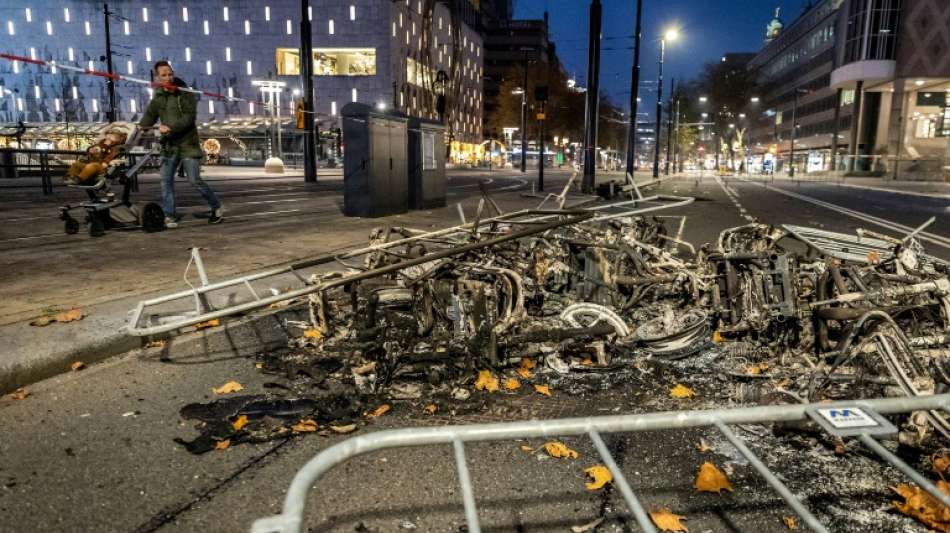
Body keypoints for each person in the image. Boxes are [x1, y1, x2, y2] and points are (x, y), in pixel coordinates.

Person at [139, 60, 223, 228]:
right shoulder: (158, 96)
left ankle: (217, 207)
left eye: (170, 73)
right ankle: (170, 215)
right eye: (164, 75)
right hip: (169, 146)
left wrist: (169, 128)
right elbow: (150, 114)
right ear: (157, 77)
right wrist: (142, 128)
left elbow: (188, 118)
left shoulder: (184, 92)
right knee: (166, 180)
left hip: (188, 144)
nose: (168, 77)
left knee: (194, 180)